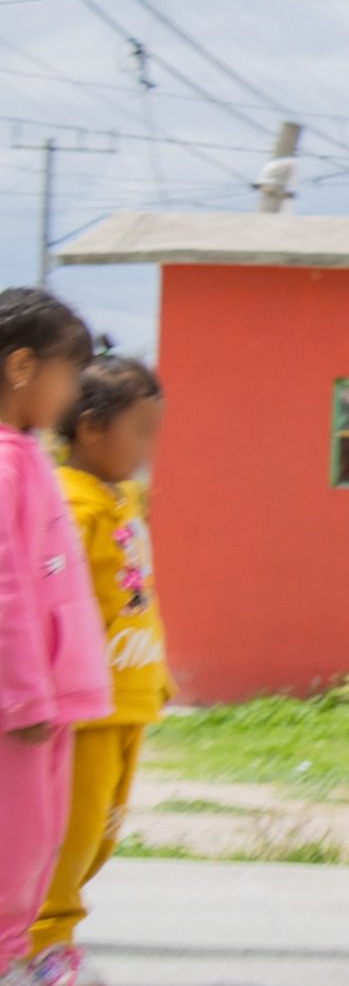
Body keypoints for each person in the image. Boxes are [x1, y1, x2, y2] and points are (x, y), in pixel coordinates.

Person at [30, 357, 168, 983]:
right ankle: (40, 943)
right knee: (72, 835)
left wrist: (157, 676)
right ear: (88, 428)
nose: (148, 448)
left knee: (103, 835)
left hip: (130, 701)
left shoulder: (121, 500)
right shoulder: (69, 505)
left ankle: (52, 938)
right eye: (141, 431)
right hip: (85, 710)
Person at [0, 289, 109, 986]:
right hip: (21, 705)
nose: (74, 395)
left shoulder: (29, 455)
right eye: (69, 375)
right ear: (21, 367)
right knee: (14, 844)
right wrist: (22, 694)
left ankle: (20, 951)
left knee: (41, 841)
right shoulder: (5, 463)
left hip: (50, 698)